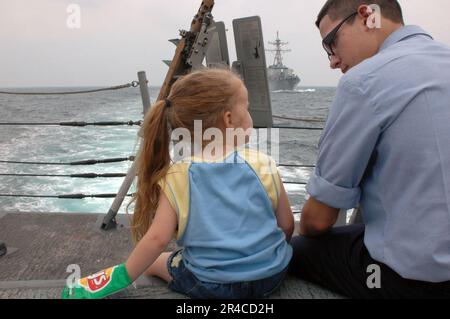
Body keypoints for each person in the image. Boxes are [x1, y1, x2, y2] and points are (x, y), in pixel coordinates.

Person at [61, 68, 294, 299]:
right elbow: (286, 226)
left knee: (157, 262)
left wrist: (122, 276)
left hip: (212, 287)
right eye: (247, 108)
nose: (250, 115)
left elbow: (157, 239)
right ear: (229, 119)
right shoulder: (264, 163)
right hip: (271, 277)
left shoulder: (178, 175)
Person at [289, 0, 450, 299]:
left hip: (417, 282)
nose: (332, 61)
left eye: (331, 42)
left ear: (367, 15)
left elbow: (318, 220)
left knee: (293, 249)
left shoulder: (362, 82)